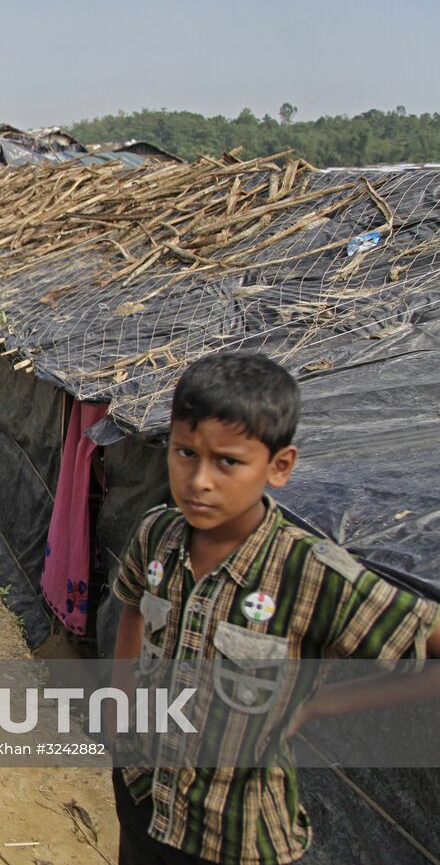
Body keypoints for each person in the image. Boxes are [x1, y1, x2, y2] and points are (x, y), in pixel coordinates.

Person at [112, 352, 440, 865]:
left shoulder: (310, 573)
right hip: (141, 794)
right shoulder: (158, 533)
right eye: (184, 453)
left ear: (279, 466)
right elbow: (133, 605)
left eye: (228, 462)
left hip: (232, 830)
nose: (199, 480)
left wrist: (322, 704)